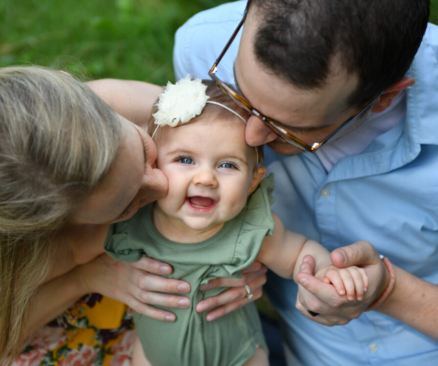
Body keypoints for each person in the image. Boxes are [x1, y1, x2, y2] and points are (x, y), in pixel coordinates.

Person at [0, 66, 267, 365]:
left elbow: (228, 148)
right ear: (49, 227)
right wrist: (83, 279)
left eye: (142, 147)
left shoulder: (107, 105)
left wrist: (239, 248)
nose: (160, 184)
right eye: (126, 205)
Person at [173, 0, 438, 364]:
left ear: (384, 98)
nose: (251, 136)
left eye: (291, 130)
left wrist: (388, 293)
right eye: (240, 96)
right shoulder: (203, 48)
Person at [105, 78, 368, 366]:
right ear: (153, 165)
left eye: (227, 165)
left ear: (254, 181)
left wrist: (330, 270)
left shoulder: (247, 230)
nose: (205, 178)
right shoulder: (132, 217)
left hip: (239, 358)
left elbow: (298, 255)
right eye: (185, 160)